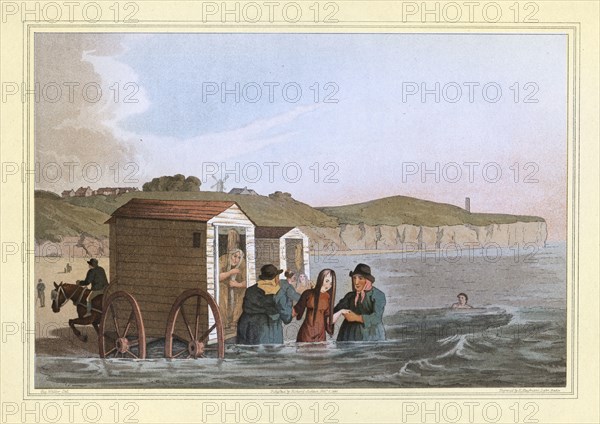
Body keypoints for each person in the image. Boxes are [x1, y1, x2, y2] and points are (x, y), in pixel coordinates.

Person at [236, 264, 293, 345]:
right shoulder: (279, 293)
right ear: (275, 278)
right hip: (268, 333)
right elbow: (287, 318)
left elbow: (246, 307)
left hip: (247, 331)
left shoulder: (250, 290)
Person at [333, 263, 386, 342]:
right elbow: (334, 311)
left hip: (371, 336)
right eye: (354, 278)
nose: (356, 282)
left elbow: (376, 317)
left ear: (367, 281)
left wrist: (356, 317)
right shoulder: (350, 296)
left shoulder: (378, 295)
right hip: (348, 336)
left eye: (360, 278)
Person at [294, 269, 345, 342]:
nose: (328, 285)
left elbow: (328, 319)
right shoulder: (308, 293)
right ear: (320, 279)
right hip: (306, 334)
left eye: (331, 283)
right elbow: (296, 310)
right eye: (327, 281)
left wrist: (341, 312)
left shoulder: (328, 297)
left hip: (321, 336)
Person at [218, 248, 247, 329]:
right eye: (235, 256)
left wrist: (238, 284)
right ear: (230, 255)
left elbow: (247, 281)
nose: (236, 260)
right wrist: (230, 272)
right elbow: (217, 277)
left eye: (239, 258)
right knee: (222, 289)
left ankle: (234, 321)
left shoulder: (243, 263)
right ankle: (223, 322)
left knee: (242, 292)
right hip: (224, 285)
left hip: (236, 287)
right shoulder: (223, 259)